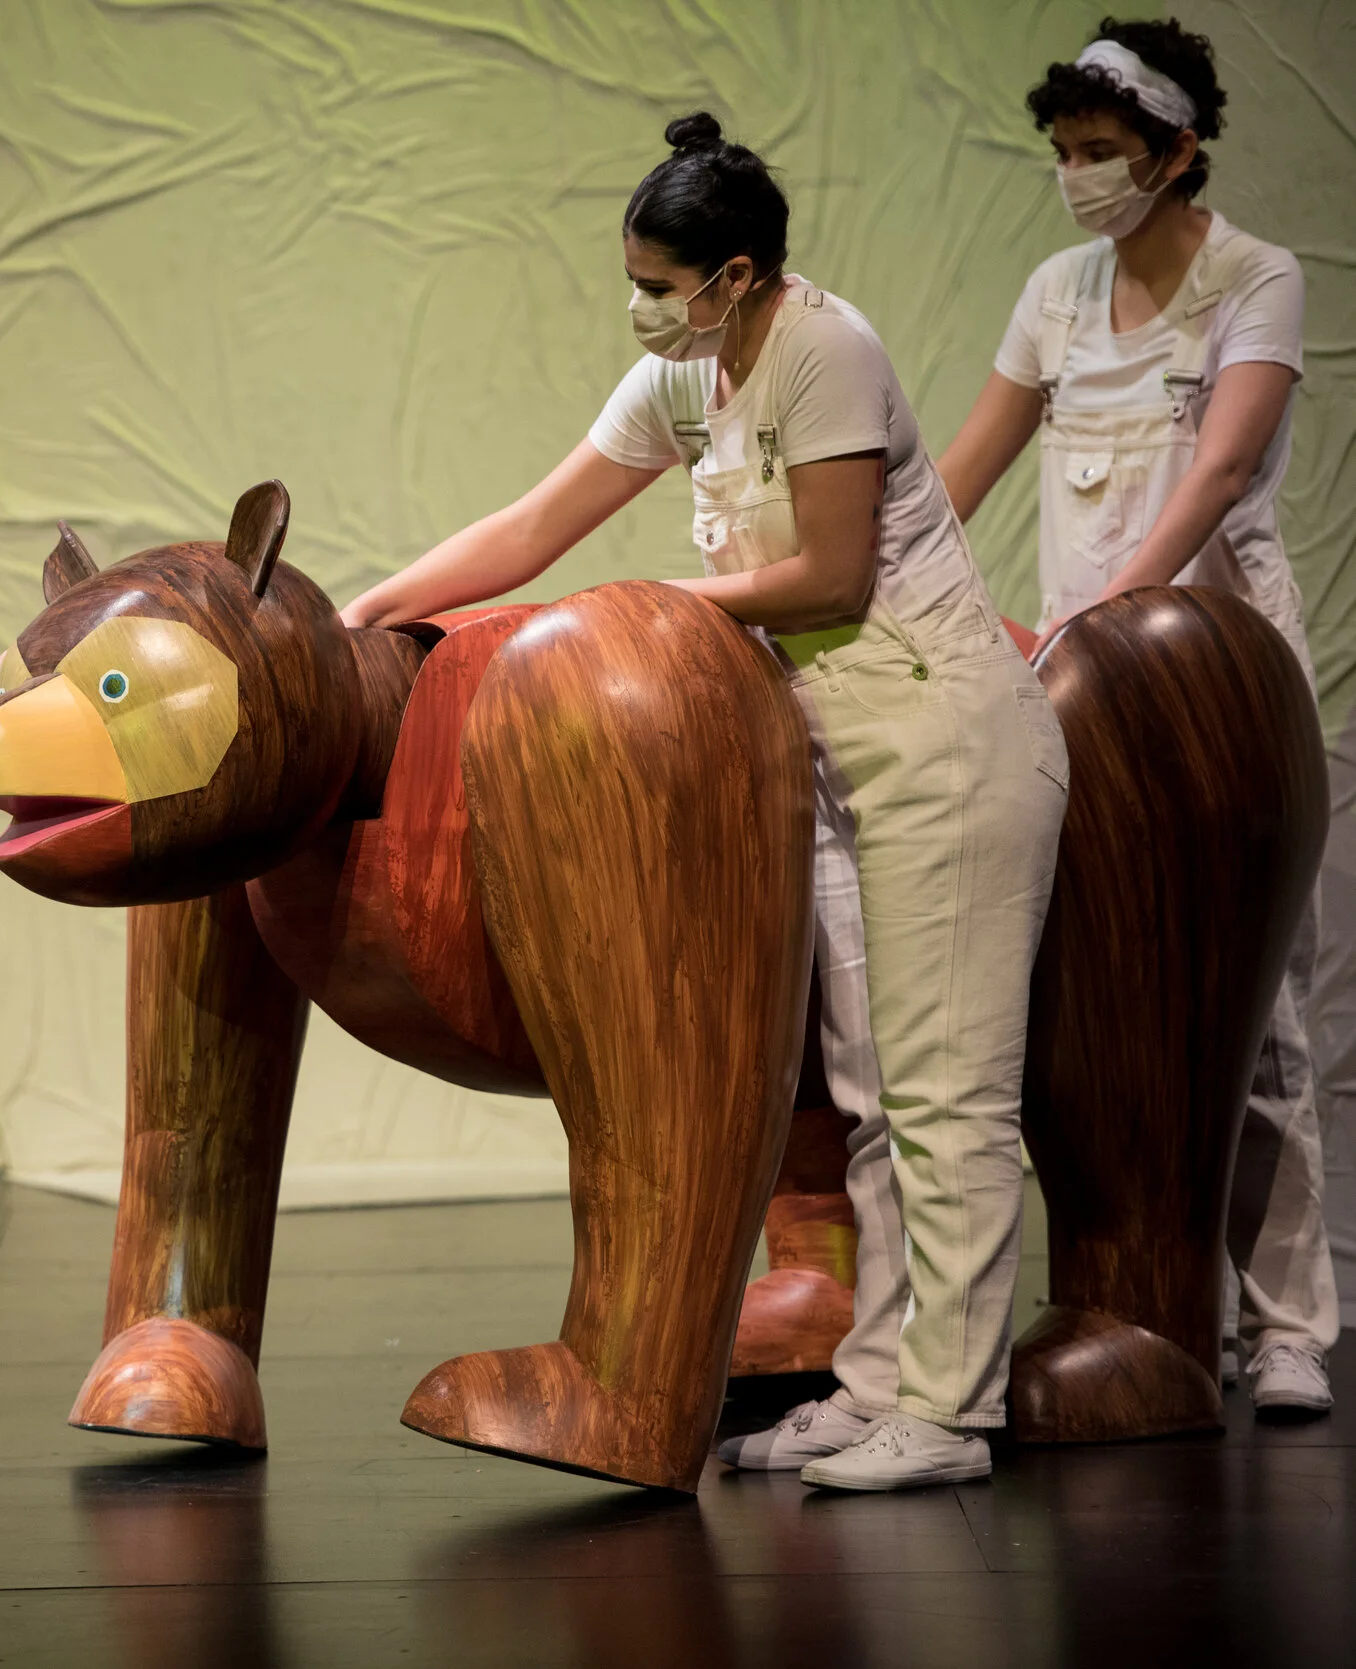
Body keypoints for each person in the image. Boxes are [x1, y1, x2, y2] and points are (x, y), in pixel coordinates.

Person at [344, 113, 1069, 1490]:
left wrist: (643, 605)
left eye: (659, 285)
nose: (641, 307)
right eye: (632, 280)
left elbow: (832, 579)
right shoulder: (683, 373)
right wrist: (363, 613)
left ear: (735, 277)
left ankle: (952, 1413)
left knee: (946, 1094)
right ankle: (879, 1385)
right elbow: (530, 525)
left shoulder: (823, 349)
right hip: (829, 763)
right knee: (868, 1095)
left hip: (943, 741)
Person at [937, 19, 1334, 1417]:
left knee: (1255, 1011)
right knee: (1097, 1006)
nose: (1080, 174)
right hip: (1078, 690)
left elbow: (1219, 470)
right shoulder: (1055, 293)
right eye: (1064, 152)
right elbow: (964, 471)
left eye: (1103, 150)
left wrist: (1116, 618)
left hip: (1222, 684)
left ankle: (1285, 1325)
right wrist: (887, 577)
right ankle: (1143, 1297)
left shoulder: (1253, 277)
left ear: (1177, 151)